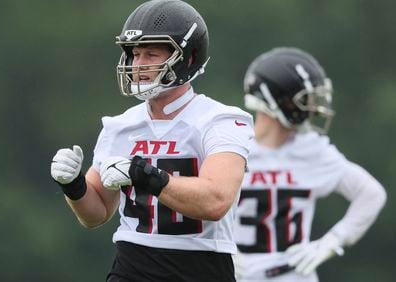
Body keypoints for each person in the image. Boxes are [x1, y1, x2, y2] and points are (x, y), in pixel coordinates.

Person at [50, 0, 254, 281]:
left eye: (151, 54)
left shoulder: (221, 120)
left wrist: (144, 175)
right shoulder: (120, 125)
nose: (138, 65)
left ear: (188, 58)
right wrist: (73, 185)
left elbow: (215, 201)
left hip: (201, 267)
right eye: (135, 54)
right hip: (132, 265)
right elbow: (95, 214)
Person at [233, 47, 387, 282]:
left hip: (293, 276)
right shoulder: (232, 146)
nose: (314, 107)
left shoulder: (312, 150)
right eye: (306, 98)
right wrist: (213, 252)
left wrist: (332, 241)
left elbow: (371, 194)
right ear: (277, 99)